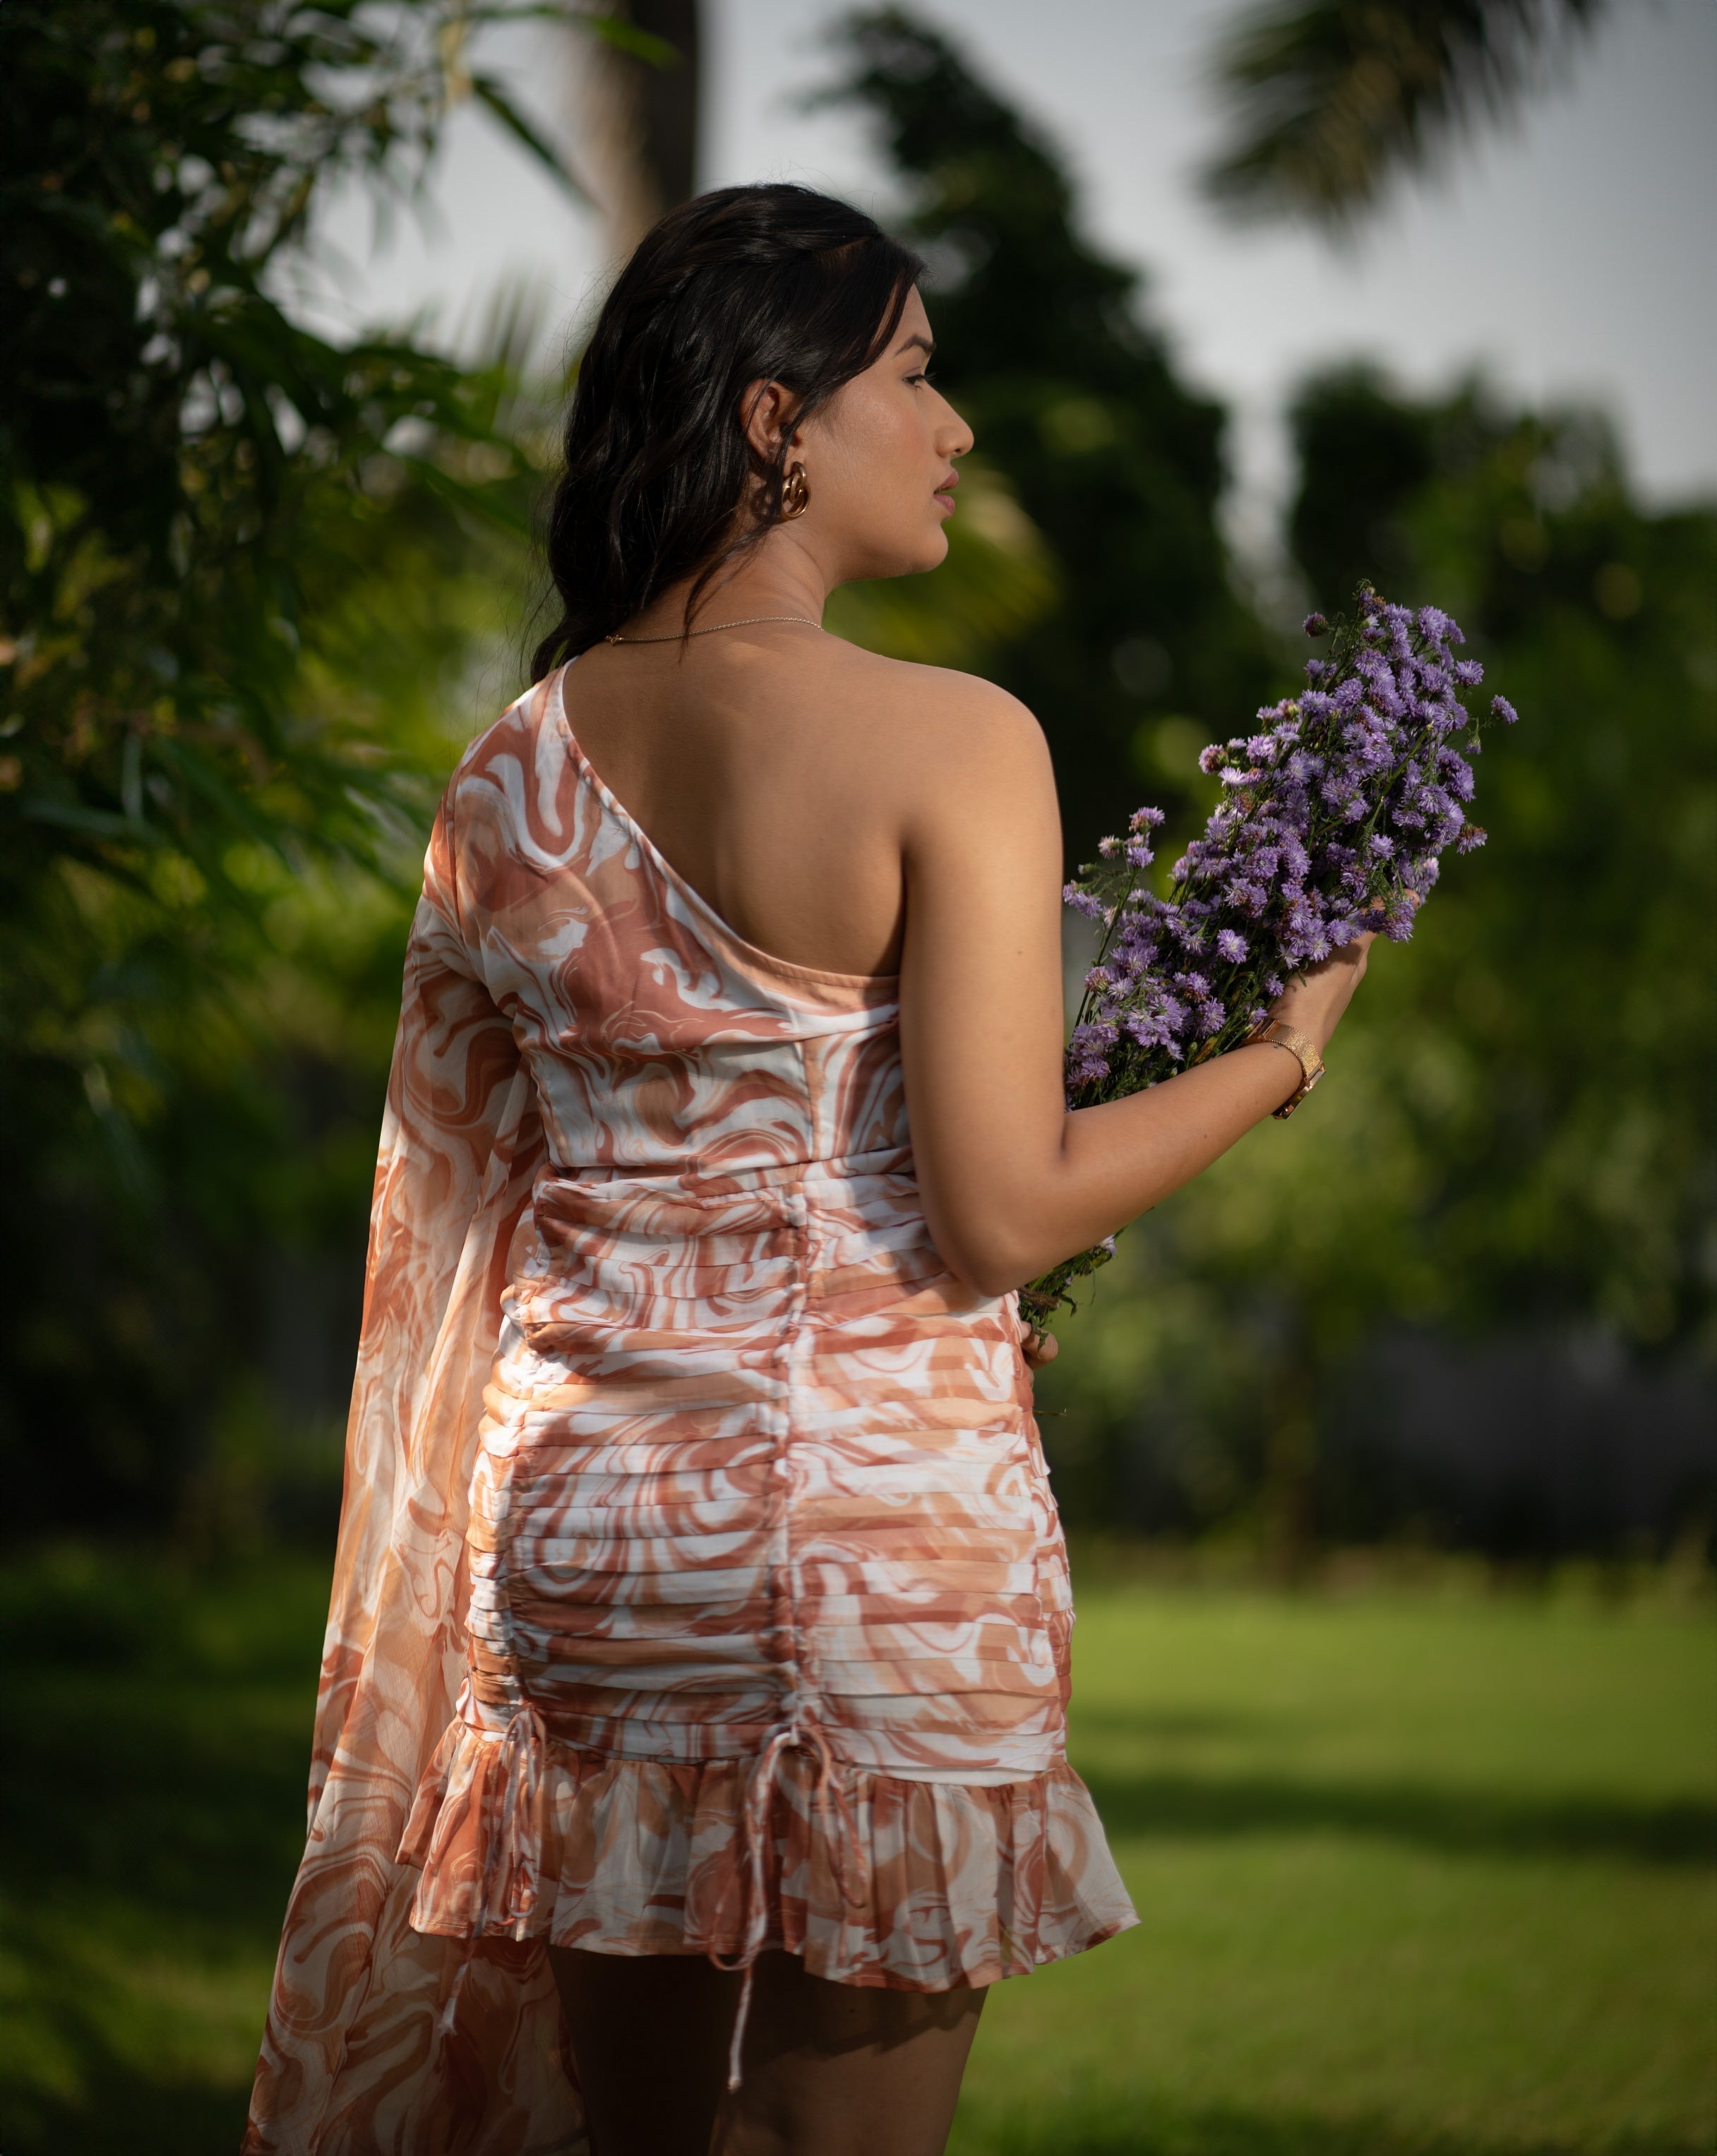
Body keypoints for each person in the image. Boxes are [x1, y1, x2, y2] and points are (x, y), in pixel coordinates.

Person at [246, 184, 1372, 2156]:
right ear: (779, 419)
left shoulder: (503, 775)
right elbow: (1003, 1206)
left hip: (592, 1537)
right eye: (915, 377)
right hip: (875, 1538)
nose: (954, 428)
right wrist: (1280, 1055)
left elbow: (487, 1196)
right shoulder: (958, 741)